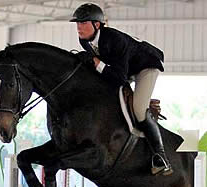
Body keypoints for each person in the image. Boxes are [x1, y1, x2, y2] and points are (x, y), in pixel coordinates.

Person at [70, 3, 173, 176]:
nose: (79, 27)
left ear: (97, 24)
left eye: (83, 22)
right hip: (124, 69)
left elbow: (119, 78)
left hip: (146, 66)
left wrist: (95, 63)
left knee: (139, 109)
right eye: (77, 23)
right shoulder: (84, 40)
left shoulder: (114, 40)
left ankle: (160, 157)